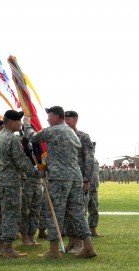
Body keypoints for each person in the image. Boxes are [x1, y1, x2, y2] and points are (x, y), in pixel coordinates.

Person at [23, 106, 97, 258]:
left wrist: (26, 124)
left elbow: (33, 137)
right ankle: (88, 246)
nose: (47, 120)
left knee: (54, 212)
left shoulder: (55, 130)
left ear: (56, 117)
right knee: (77, 213)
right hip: (75, 178)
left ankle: (54, 250)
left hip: (59, 178)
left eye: (49, 117)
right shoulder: (71, 132)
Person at [0, 110, 37, 258]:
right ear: (12, 122)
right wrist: (35, 172)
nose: (21, 124)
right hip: (9, 182)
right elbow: (20, 160)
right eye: (19, 122)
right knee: (10, 214)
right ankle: (8, 249)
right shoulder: (13, 139)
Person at [63, 110, 95, 253]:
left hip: (80, 179)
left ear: (75, 120)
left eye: (68, 119)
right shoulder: (63, 135)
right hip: (67, 179)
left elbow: (89, 158)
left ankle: (80, 244)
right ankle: (72, 241)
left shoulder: (83, 136)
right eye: (64, 119)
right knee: (67, 212)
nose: (66, 122)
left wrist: (87, 179)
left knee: (78, 211)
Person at [88, 142, 101, 236]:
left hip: (94, 189)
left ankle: (93, 229)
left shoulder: (96, 161)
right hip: (85, 188)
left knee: (94, 210)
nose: (93, 149)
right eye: (91, 147)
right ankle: (80, 232)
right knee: (81, 211)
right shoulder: (83, 159)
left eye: (94, 147)